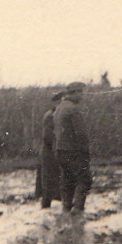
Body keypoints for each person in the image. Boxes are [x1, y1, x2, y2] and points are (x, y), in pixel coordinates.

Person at [53, 81, 92, 214]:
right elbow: (81, 134)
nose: (82, 96)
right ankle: (78, 211)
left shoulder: (59, 108)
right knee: (84, 179)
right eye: (81, 92)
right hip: (73, 151)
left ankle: (66, 209)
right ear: (74, 93)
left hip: (60, 151)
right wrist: (85, 152)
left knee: (67, 180)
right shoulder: (74, 109)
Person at [35, 91, 63, 208]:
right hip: (49, 153)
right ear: (55, 102)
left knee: (54, 180)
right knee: (47, 181)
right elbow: (48, 136)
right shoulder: (50, 116)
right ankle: (45, 207)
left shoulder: (57, 115)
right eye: (60, 102)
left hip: (54, 151)